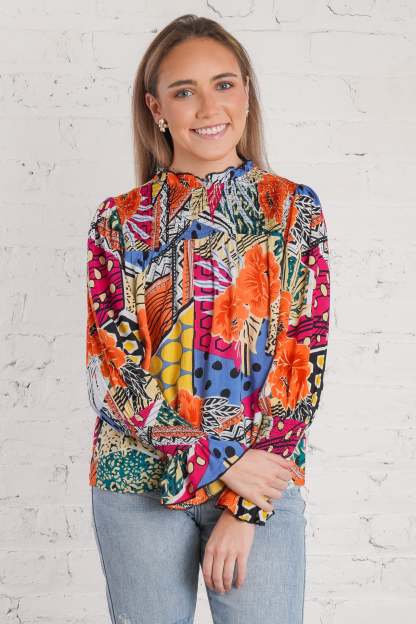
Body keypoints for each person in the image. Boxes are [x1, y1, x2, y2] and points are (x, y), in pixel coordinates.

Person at [86, 13, 331, 624]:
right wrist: (222, 461)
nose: (208, 107)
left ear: (246, 91)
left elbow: (301, 363)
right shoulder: (118, 222)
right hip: (137, 481)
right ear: (156, 108)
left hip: (261, 481)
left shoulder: (292, 211)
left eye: (223, 84)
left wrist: (245, 506)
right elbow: (111, 374)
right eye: (184, 91)